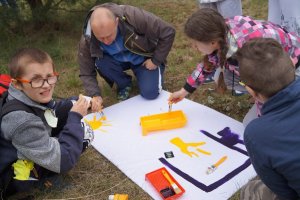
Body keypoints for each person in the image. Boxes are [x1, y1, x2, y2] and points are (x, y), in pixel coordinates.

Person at [169, 8, 300, 126]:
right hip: (269, 68)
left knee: (252, 125)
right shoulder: (221, 32)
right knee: (224, 77)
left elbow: (263, 83)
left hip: (291, 67)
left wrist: (264, 121)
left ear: (213, 42)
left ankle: (287, 106)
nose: (193, 48)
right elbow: (208, 64)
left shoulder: (249, 52)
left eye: (195, 44)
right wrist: (184, 91)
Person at [0, 48, 93, 198]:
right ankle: (38, 180)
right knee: (84, 132)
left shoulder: (26, 95)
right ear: (17, 84)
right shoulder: (22, 121)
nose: (46, 85)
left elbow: (52, 110)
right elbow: (64, 160)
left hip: (26, 145)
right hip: (14, 174)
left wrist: (78, 102)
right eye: (36, 79)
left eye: (50, 76)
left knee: (68, 119)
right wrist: (75, 117)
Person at [78, 3, 175, 109]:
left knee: (150, 93)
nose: (106, 42)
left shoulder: (132, 16)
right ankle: (124, 84)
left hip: (143, 58)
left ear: (116, 22)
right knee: (101, 62)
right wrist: (95, 95)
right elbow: (86, 72)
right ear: (92, 29)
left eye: (109, 35)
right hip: (115, 61)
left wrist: (156, 60)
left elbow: (168, 32)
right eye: (101, 38)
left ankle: (150, 75)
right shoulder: (87, 39)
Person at [236, 38, 300, 200]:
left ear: (250, 91)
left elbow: (285, 193)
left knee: (249, 191)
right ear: (292, 66)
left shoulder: (257, 134)